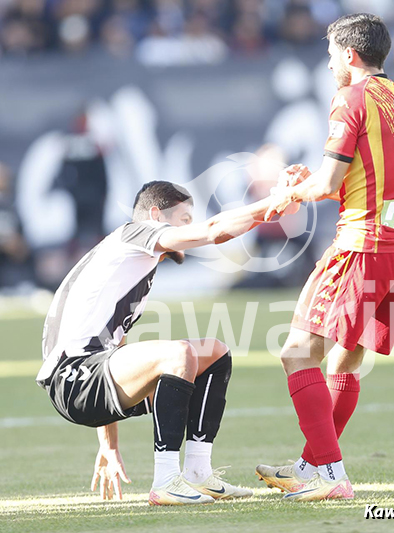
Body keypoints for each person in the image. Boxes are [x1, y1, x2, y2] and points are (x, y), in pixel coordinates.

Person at [255, 13, 394, 501]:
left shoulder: (351, 97)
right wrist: (319, 185)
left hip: (361, 248)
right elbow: (380, 183)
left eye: (331, 53)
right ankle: (312, 465)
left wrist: (292, 193)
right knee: (345, 363)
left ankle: (330, 475)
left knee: (296, 351)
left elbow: (329, 184)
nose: (329, 61)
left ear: (349, 55)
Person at [36, 180, 282, 506]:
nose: (188, 228)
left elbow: (114, 354)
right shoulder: (134, 233)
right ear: (155, 216)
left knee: (213, 353)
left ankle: (197, 473)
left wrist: (109, 446)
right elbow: (212, 231)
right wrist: (275, 202)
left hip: (87, 376)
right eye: (183, 219)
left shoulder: (135, 265)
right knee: (178, 355)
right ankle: (166, 481)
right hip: (72, 380)